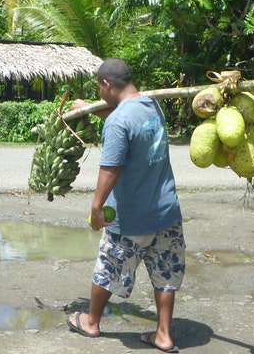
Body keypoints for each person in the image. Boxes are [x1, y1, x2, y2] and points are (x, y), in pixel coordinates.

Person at [66, 58, 184, 353]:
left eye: (99, 89)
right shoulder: (151, 106)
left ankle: (91, 322)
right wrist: (88, 108)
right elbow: (124, 119)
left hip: (132, 217)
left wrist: (96, 206)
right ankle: (164, 335)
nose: (101, 94)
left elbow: (111, 167)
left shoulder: (118, 121)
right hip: (167, 212)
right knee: (164, 273)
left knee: (108, 266)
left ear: (106, 84)